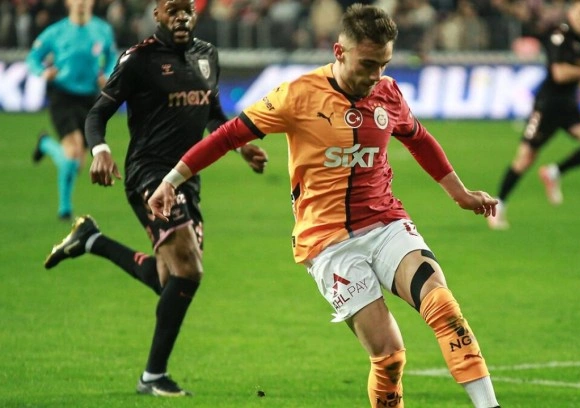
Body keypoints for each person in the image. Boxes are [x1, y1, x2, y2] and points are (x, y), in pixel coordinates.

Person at [147, 4, 502, 407]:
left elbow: (418, 138)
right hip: (328, 243)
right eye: (367, 64)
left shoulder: (387, 93)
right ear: (339, 52)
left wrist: (460, 193)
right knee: (389, 358)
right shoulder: (298, 95)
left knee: (443, 306)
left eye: (384, 65)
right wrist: (171, 181)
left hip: (386, 223)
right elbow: (228, 135)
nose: (376, 76)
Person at [42, 0, 268, 397]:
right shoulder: (139, 60)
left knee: (170, 280)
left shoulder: (206, 55)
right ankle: (153, 377)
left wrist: (241, 147)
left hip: (187, 177)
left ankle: (92, 240)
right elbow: (97, 114)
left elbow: (213, 114)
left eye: (187, 10)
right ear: (157, 15)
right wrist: (100, 150)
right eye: (172, 10)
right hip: (148, 174)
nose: (181, 17)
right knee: (189, 270)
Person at [487, 0, 580, 230]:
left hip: (569, 106)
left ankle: (554, 172)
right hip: (548, 107)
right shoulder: (560, 36)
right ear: (572, 13)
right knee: (525, 158)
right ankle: (498, 206)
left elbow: (574, 68)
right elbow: (560, 74)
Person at [28, 0, 117, 221]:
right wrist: (43, 72)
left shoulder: (102, 30)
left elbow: (112, 56)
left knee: (77, 163)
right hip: (62, 96)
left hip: (90, 99)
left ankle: (45, 144)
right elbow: (33, 57)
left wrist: (107, 74)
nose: (81, 3)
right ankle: (65, 209)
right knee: (73, 149)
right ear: (69, 3)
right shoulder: (56, 32)